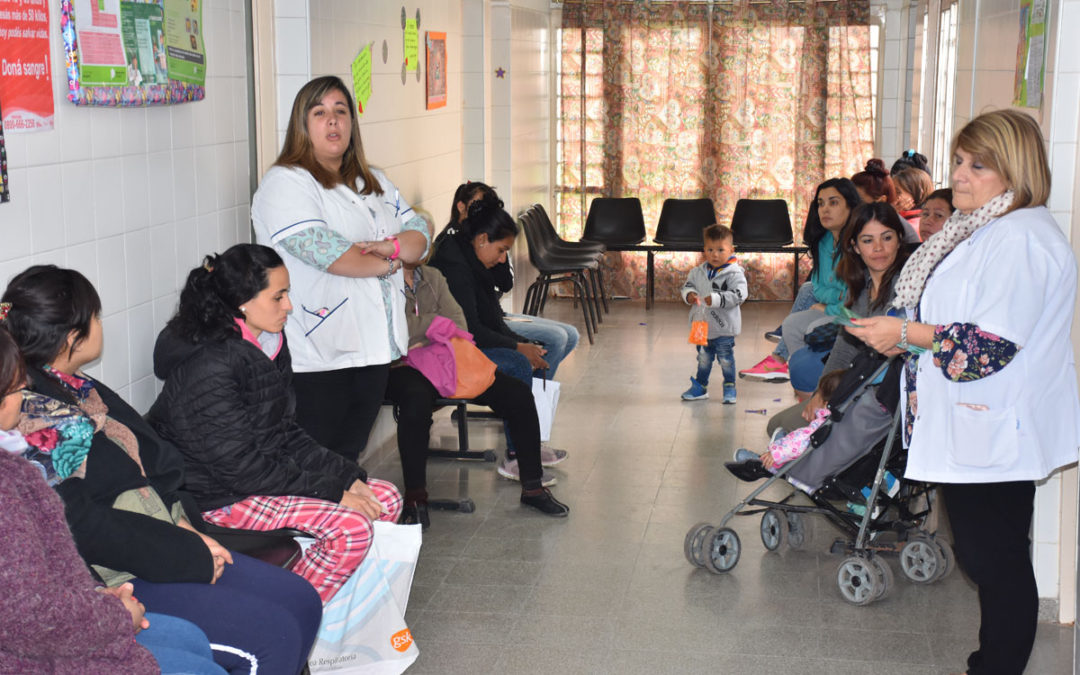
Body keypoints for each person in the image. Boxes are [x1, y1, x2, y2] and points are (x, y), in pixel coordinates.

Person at [2, 265, 323, 675]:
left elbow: (155, 469)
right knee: (271, 635)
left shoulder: (75, 386)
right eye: (96, 317)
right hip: (125, 570)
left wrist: (185, 526)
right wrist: (188, 552)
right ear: (72, 336)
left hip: (168, 538)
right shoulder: (38, 416)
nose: (102, 325)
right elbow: (84, 526)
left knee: (301, 599)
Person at [848, 109, 1080, 675]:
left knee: (994, 561)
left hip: (995, 421)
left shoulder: (1021, 238)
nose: (960, 175)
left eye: (979, 165)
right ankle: (990, 662)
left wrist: (905, 334)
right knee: (987, 556)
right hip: (974, 420)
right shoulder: (983, 227)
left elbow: (988, 345)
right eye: (958, 161)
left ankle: (995, 666)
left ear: (1015, 169)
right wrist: (906, 336)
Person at [149, 245, 403, 603]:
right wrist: (332, 492)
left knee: (383, 499)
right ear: (242, 302)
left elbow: (285, 433)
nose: (289, 306)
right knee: (351, 528)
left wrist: (346, 477)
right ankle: (286, 615)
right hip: (217, 497)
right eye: (278, 297)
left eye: (287, 294)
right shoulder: (211, 365)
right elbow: (241, 470)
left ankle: (340, 618)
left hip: (255, 479)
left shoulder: (266, 342)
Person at [251, 75, 431, 463]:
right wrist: (396, 256)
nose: (332, 121)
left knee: (347, 457)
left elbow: (421, 234)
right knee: (314, 462)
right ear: (302, 125)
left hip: (374, 349)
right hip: (317, 353)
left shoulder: (373, 180)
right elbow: (333, 256)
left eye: (340, 111)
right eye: (319, 113)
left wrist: (394, 248)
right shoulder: (286, 184)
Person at [385, 255, 570, 527]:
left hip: (445, 360)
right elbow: (391, 331)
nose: (421, 245)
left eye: (425, 239)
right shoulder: (381, 279)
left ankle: (533, 488)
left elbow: (458, 324)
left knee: (517, 393)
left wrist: (423, 333)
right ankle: (415, 498)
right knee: (416, 400)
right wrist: (434, 325)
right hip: (399, 365)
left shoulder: (433, 277)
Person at [430, 200, 573, 480]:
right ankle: (517, 455)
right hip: (444, 350)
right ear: (482, 239)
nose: (501, 258)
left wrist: (523, 343)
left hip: (465, 342)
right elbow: (470, 330)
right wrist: (518, 347)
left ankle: (529, 442)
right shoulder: (455, 266)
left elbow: (493, 320)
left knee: (534, 352)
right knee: (516, 362)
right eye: (501, 250)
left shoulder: (473, 257)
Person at [443, 181, 580, 376]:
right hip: (471, 335)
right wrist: (518, 345)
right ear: (461, 207)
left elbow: (505, 284)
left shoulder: (484, 245)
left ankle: (532, 390)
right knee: (553, 340)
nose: (483, 215)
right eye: (478, 208)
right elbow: (472, 326)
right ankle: (529, 391)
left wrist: (499, 251)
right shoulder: (454, 253)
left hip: (494, 318)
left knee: (570, 335)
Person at [740, 178, 861, 382]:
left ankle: (808, 375)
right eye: (820, 204)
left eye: (833, 202)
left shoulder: (859, 242)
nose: (825, 209)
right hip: (837, 306)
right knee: (793, 321)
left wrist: (828, 306)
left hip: (855, 313)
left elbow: (856, 298)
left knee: (810, 324)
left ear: (851, 206)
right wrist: (835, 296)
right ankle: (801, 376)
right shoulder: (823, 241)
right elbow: (819, 287)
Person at [786, 202, 911, 397]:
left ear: (899, 239)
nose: (879, 248)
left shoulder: (907, 288)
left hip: (889, 392)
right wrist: (821, 392)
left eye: (887, 238)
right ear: (855, 247)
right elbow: (843, 348)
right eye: (868, 240)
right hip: (860, 380)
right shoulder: (860, 286)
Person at [733, 368, 846, 480]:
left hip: (804, 472)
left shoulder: (821, 424)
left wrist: (776, 453)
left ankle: (765, 464)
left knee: (798, 437)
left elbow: (801, 441)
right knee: (784, 432)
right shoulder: (843, 420)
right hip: (828, 465)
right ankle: (776, 448)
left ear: (826, 404)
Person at [679, 224, 747, 403]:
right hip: (701, 326)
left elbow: (739, 295)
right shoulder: (697, 272)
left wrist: (716, 299)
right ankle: (700, 387)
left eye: (720, 250)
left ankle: (729, 386)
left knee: (725, 360)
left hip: (724, 328)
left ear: (731, 250)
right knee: (703, 359)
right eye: (710, 249)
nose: (715, 254)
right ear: (704, 250)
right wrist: (689, 295)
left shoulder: (734, 274)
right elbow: (687, 286)